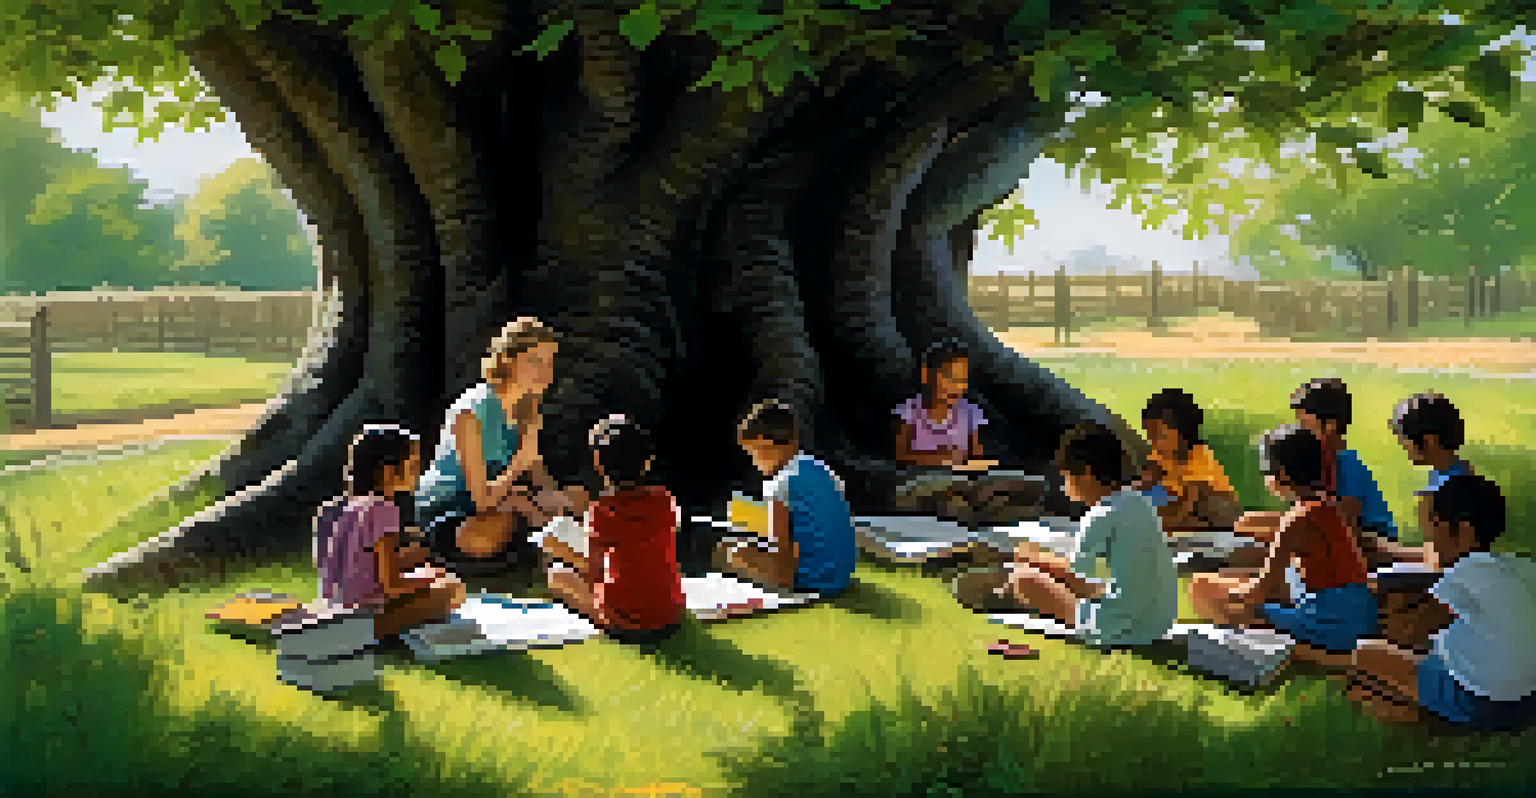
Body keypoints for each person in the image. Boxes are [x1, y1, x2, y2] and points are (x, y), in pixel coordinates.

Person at [952, 422, 1178, 648]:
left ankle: (1010, 593)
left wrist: (1028, 558)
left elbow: (1075, 571)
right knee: (1092, 584)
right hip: (1160, 622)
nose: (1064, 486)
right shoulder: (1139, 502)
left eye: (1066, 477)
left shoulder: (1101, 514)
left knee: (1025, 579)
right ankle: (1011, 582)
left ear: (1086, 474)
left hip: (1121, 628)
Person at [1348, 475, 1536, 731]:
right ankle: (1426, 709)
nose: (1431, 541)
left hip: (1487, 702)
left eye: (1435, 527)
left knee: (1365, 655)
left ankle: (1431, 715)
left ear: (1464, 531)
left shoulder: (1464, 572)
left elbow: (1410, 633)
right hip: (1528, 701)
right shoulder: (1523, 567)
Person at [1189, 425, 1377, 667]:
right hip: (1363, 619)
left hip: (1330, 628)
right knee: (1224, 581)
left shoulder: (1294, 522)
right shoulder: (1330, 508)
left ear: (1282, 475)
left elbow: (1259, 591)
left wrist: (1231, 596)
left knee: (1203, 588)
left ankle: (1289, 651)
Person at [414, 318, 590, 574]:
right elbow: (482, 499)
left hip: (503, 500)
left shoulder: (528, 405)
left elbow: (539, 476)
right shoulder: (470, 413)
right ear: (507, 360)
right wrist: (521, 466)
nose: (545, 372)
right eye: (535, 361)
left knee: (578, 496)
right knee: (491, 531)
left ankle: (547, 541)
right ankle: (548, 545)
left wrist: (556, 502)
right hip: (452, 511)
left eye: (549, 362)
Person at [540, 414, 686, 646]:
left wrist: (567, 554)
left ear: (598, 465)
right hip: (672, 615)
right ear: (647, 461)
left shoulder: (602, 511)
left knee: (557, 575)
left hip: (625, 623)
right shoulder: (664, 500)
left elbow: (594, 573)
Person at [314, 425, 466, 640]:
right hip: (364, 616)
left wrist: (412, 566)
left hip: (331, 607)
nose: (418, 472)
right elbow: (392, 586)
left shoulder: (329, 509)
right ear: (388, 471)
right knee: (451, 589)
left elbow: (338, 566)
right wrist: (428, 580)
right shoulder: (383, 510)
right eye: (412, 465)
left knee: (428, 573)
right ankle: (367, 632)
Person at [1237, 379, 1399, 556]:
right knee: (1248, 522)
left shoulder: (1347, 465)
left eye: (1305, 425)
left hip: (1371, 545)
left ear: (1330, 426)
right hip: (1333, 535)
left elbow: (1342, 525)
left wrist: (1278, 535)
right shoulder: (1316, 462)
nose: (1299, 430)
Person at [714, 400, 856, 597]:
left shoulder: (779, 484)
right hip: (841, 576)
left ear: (765, 443)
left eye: (752, 454)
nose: (753, 463)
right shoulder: (821, 468)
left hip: (812, 581)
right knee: (747, 547)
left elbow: (782, 562)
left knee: (729, 550)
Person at [892, 338, 1042, 526]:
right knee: (945, 497)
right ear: (926, 375)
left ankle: (990, 505)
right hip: (926, 481)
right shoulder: (909, 412)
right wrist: (938, 458)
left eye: (962, 380)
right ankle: (971, 511)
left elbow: (975, 456)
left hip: (967, 482)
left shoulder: (969, 412)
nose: (957, 386)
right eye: (949, 378)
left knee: (1006, 485)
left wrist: (974, 463)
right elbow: (900, 456)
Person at [1132, 388, 1242, 530]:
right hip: (1181, 503)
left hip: (1217, 511)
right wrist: (1125, 495)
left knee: (1199, 501)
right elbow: (1147, 481)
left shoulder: (1199, 457)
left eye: (1159, 436)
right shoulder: (1160, 452)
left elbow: (1187, 503)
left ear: (1183, 434)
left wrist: (1162, 526)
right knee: (1152, 495)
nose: (1153, 442)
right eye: (1149, 436)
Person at [1388, 392, 1476, 561]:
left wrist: (1387, 550)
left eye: (1404, 439)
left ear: (1429, 441)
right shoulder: (1459, 470)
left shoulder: (1444, 491)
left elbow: (1440, 558)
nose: (1403, 445)